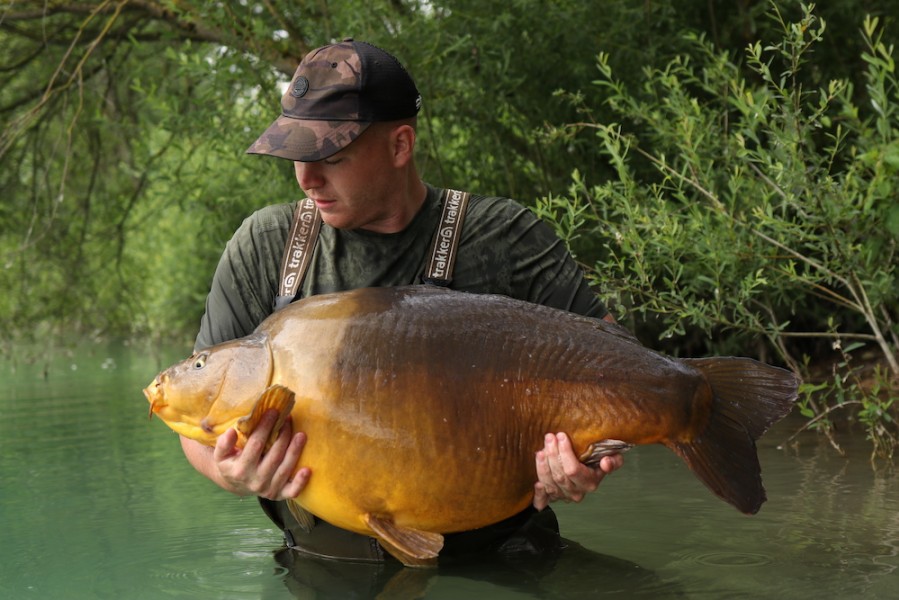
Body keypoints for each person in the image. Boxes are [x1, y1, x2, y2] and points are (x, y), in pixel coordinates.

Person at [181, 38, 624, 563]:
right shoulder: (264, 247)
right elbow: (199, 425)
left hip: (504, 548)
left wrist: (586, 462)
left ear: (400, 146)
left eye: (330, 156)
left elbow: (619, 372)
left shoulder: (504, 237)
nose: (306, 178)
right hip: (326, 563)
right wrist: (230, 473)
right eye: (296, 155)